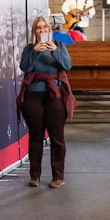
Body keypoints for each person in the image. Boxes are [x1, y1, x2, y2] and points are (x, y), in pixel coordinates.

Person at [19, 14, 73, 188]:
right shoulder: (29, 49)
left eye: (45, 28)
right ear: (35, 32)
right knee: (36, 136)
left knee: (57, 136)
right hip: (33, 95)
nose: (42, 30)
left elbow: (67, 66)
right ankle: (35, 176)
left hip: (54, 95)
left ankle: (58, 176)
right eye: (39, 28)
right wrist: (35, 52)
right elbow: (25, 68)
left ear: (50, 30)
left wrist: (55, 52)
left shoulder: (58, 45)